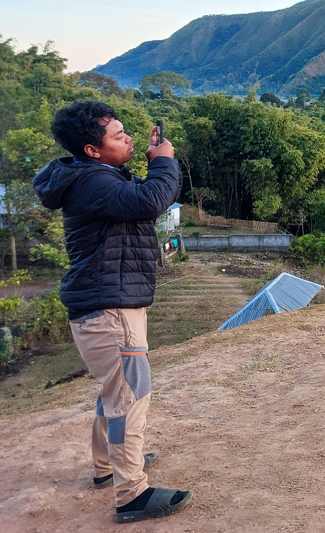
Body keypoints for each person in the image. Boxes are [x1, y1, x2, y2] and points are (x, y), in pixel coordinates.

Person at [32, 101, 192, 523]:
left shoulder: (93, 176)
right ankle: (131, 495)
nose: (129, 139)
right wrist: (164, 163)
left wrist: (146, 162)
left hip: (107, 303)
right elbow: (150, 200)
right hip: (110, 308)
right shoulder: (92, 183)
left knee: (115, 391)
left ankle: (108, 467)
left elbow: (133, 198)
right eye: (118, 136)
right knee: (129, 396)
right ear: (92, 150)